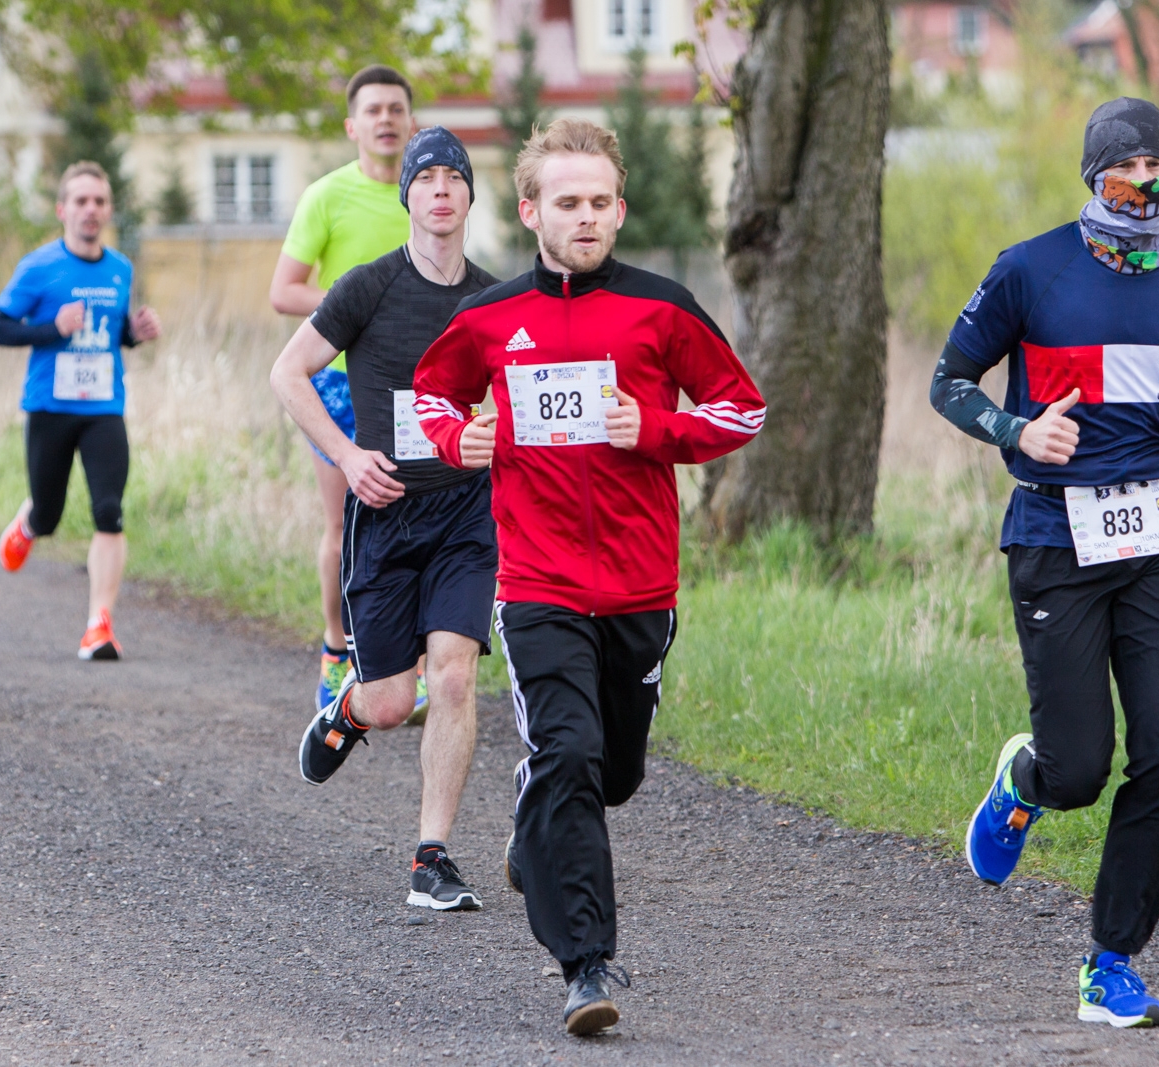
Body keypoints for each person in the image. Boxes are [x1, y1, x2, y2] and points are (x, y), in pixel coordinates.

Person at [932, 97, 1159, 1029]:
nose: (1138, 184)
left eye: (1153, 169)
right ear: (1094, 178)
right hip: (1054, 535)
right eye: (1120, 170)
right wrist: (1017, 428)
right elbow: (948, 380)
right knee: (1082, 768)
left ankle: (1111, 964)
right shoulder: (1029, 270)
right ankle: (1027, 783)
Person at [409, 118, 765, 1036]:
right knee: (567, 754)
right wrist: (461, 438)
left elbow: (742, 410)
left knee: (609, 776)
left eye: (602, 201)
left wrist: (651, 429)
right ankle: (585, 965)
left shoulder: (663, 308)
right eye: (568, 203)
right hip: (538, 583)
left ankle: (539, 821)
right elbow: (433, 400)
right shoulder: (488, 320)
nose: (588, 217)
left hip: (643, 589)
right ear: (531, 211)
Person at [273, 128, 500, 911]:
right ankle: (350, 707)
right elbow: (288, 371)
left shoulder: (497, 299)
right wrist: (345, 455)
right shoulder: (368, 287)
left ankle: (431, 857)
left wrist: (495, 436)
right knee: (396, 702)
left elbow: (514, 405)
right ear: (406, 194)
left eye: (453, 177)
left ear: (470, 196)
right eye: (426, 176)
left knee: (456, 676)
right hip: (388, 516)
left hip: (468, 516)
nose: (440, 188)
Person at [270, 63, 429, 716]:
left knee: (418, 521)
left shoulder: (430, 196)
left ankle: (410, 665)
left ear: (411, 121)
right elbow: (283, 292)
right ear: (352, 125)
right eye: (374, 110)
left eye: (396, 108)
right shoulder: (326, 195)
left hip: (416, 389)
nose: (386, 119)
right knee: (344, 523)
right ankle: (338, 649)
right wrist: (356, 306)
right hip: (337, 384)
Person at [0, 161, 162, 660]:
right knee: (50, 514)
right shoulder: (38, 267)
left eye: (99, 202)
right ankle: (29, 523)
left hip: (104, 406)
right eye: (81, 201)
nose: (91, 210)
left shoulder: (121, 268)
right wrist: (51, 329)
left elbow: (114, 334)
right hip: (49, 406)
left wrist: (136, 333)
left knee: (109, 510)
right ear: (63, 209)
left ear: (108, 210)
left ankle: (98, 626)